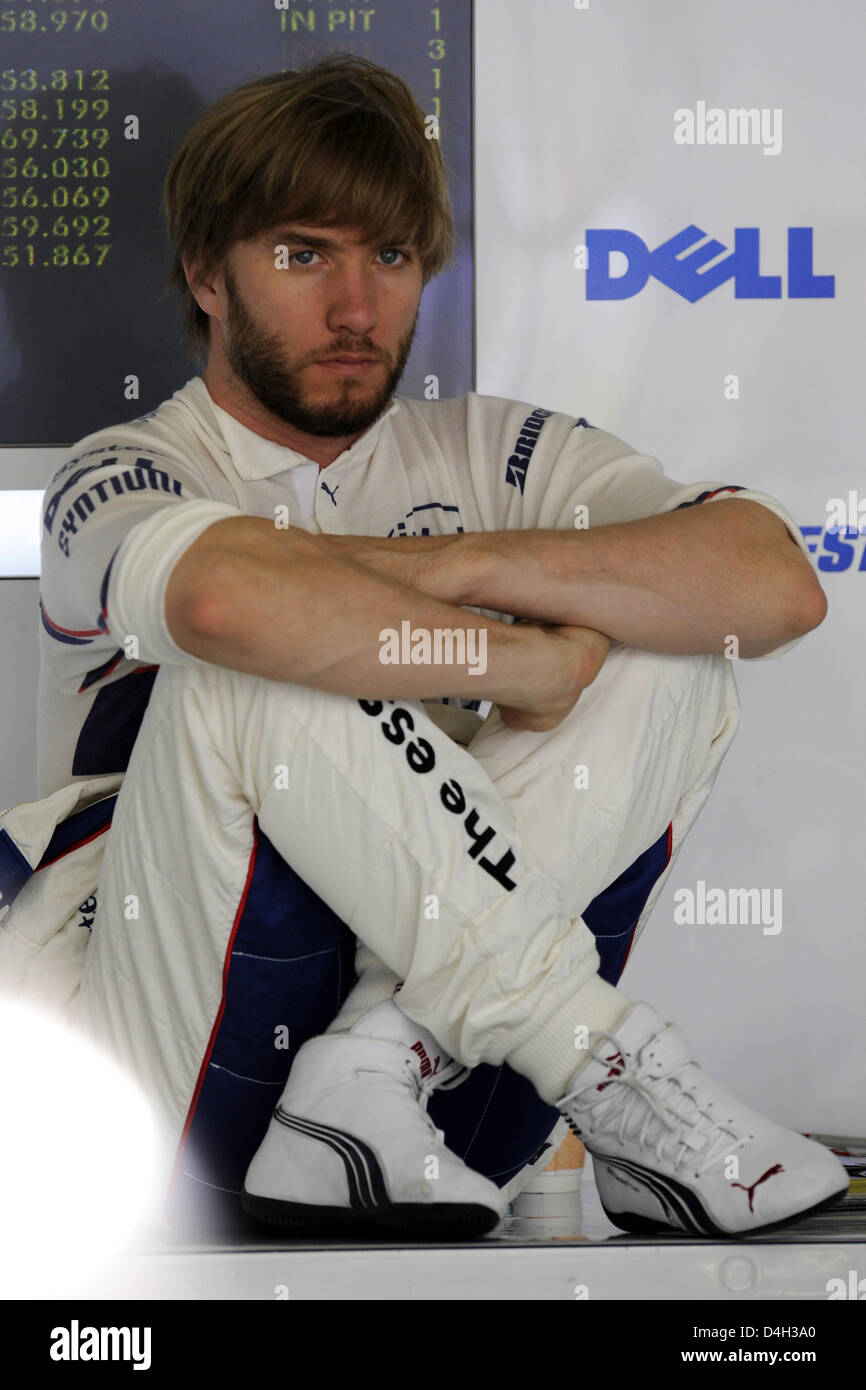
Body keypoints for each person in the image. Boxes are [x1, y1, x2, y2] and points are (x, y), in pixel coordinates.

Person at [35, 54, 846, 1240]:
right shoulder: (118, 468)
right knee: (253, 649)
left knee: (676, 644)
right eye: (303, 253)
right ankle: (605, 1059)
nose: (358, 308)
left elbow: (770, 584)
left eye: (392, 258)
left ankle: (369, 1063)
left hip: (451, 1111)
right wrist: (515, 655)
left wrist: (462, 562)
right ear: (207, 274)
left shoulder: (490, 449)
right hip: (178, 1107)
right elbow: (222, 605)